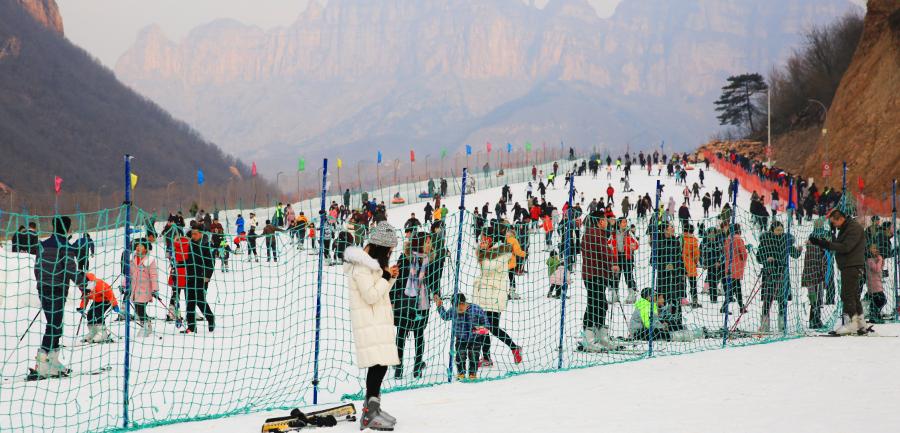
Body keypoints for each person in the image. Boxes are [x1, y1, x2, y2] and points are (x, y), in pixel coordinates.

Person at [343, 223, 400, 431]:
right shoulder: (361, 268)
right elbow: (371, 296)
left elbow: (381, 292)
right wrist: (386, 277)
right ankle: (369, 414)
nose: (391, 253)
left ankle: (373, 408)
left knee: (381, 364)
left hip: (378, 320)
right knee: (377, 365)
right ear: (380, 247)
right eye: (389, 250)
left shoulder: (373, 265)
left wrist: (390, 277)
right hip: (369, 322)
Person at [30, 216, 83, 379]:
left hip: (44, 289)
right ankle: (42, 361)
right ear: (67, 228)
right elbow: (70, 269)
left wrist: (42, 282)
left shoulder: (43, 245)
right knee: (54, 325)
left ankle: (52, 360)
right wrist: (85, 284)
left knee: (55, 324)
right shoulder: (65, 246)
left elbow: (37, 268)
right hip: (57, 289)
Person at [809, 209, 867, 335]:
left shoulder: (853, 228)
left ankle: (850, 323)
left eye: (834, 223)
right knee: (854, 294)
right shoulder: (846, 228)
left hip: (852, 265)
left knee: (847, 295)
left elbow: (845, 247)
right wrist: (832, 233)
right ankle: (860, 323)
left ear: (840, 218)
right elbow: (838, 243)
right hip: (848, 265)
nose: (834, 225)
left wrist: (823, 243)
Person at [391, 232, 438, 379]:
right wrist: (392, 300)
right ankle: (398, 367)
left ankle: (417, 367)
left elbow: (433, 280)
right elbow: (396, 280)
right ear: (420, 243)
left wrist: (436, 293)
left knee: (419, 335)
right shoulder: (405, 258)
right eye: (427, 242)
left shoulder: (430, 260)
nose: (430, 245)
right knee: (401, 335)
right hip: (404, 301)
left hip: (422, 302)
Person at [473, 230, 522, 366]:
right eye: (480, 240)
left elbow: (489, 268)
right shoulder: (486, 255)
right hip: (485, 296)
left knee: (493, 327)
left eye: (484, 240)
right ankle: (487, 357)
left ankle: (514, 347)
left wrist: (482, 254)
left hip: (495, 296)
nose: (481, 243)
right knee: (482, 328)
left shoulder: (500, 255)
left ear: (490, 241)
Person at [580, 213, 617, 351]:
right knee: (595, 304)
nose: (607, 222)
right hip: (595, 274)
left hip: (594, 274)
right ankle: (589, 338)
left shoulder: (591, 233)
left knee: (599, 303)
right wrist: (613, 262)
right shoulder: (597, 234)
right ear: (600, 221)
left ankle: (600, 335)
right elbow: (604, 253)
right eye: (605, 220)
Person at [756, 221, 802, 332]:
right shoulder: (765, 241)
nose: (779, 232)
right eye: (777, 230)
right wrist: (766, 258)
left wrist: (799, 251)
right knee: (768, 298)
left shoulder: (786, 240)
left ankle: (782, 324)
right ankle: (765, 324)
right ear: (772, 230)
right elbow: (758, 257)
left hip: (782, 273)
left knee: (782, 299)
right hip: (769, 272)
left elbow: (794, 255)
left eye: (781, 230)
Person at [437, 293, 488, 380]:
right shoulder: (453, 310)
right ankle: (461, 373)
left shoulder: (475, 309)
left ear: (464, 303)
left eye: (461, 306)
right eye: (457, 307)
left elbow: (486, 323)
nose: (459, 309)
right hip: (460, 338)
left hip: (475, 338)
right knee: (460, 356)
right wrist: (440, 307)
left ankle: (472, 374)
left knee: (474, 356)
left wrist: (480, 328)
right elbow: (445, 316)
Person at [183, 227, 215, 334]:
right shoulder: (189, 245)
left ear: (201, 234)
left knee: (200, 301)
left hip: (201, 278)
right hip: (190, 277)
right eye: (192, 234)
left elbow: (210, 263)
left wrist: (207, 276)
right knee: (189, 302)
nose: (193, 236)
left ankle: (210, 318)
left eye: (196, 234)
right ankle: (191, 327)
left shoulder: (205, 246)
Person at [802, 219, 830, 329]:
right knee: (814, 298)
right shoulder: (813, 238)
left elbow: (825, 258)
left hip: (818, 273)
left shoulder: (823, 237)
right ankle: (813, 320)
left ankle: (816, 320)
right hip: (812, 273)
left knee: (818, 298)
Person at [80, 273, 119, 343]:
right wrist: (82, 307)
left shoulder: (98, 284)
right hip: (97, 300)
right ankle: (93, 332)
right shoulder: (83, 285)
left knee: (98, 313)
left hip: (106, 300)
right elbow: (85, 297)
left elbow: (110, 294)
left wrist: (114, 305)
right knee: (90, 314)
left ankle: (103, 334)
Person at [131, 240, 159, 337]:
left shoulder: (149, 260)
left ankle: (146, 327)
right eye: (137, 246)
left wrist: (155, 289)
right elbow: (129, 274)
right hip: (135, 289)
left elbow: (154, 275)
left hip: (145, 289)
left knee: (140, 308)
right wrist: (124, 285)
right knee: (138, 309)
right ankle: (146, 324)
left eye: (141, 246)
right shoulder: (133, 259)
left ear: (146, 248)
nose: (138, 248)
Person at [722, 224, 748, 315]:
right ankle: (725, 307)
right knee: (734, 288)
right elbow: (743, 254)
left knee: (736, 288)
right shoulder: (738, 239)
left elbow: (725, 252)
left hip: (728, 266)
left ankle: (741, 306)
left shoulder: (727, 239)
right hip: (736, 266)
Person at [865, 244, 886, 324]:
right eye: (873, 248)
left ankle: (874, 315)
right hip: (873, 285)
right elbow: (876, 269)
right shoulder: (869, 260)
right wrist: (880, 260)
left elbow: (880, 267)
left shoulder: (874, 259)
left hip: (877, 284)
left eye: (876, 248)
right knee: (882, 300)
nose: (875, 249)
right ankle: (874, 314)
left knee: (878, 300)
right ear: (869, 250)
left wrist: (880, 260)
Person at [683, 225, 701, 308]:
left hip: (680, 264)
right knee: (693, 284)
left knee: (682, 283)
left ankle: (682, 299)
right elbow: (696, 254)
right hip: (690, 264)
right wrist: (695, 262)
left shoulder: (679, 238)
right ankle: (694, 301)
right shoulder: (693, 240)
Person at [506, 226, 526, 300]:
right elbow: (517, 251)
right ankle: (512, 293)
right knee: (512, 278)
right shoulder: (514, 240)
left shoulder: (504, 239)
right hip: (510, 263)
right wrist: (524, 254)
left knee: (505, 278)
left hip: (502, 262)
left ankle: (505, 292)